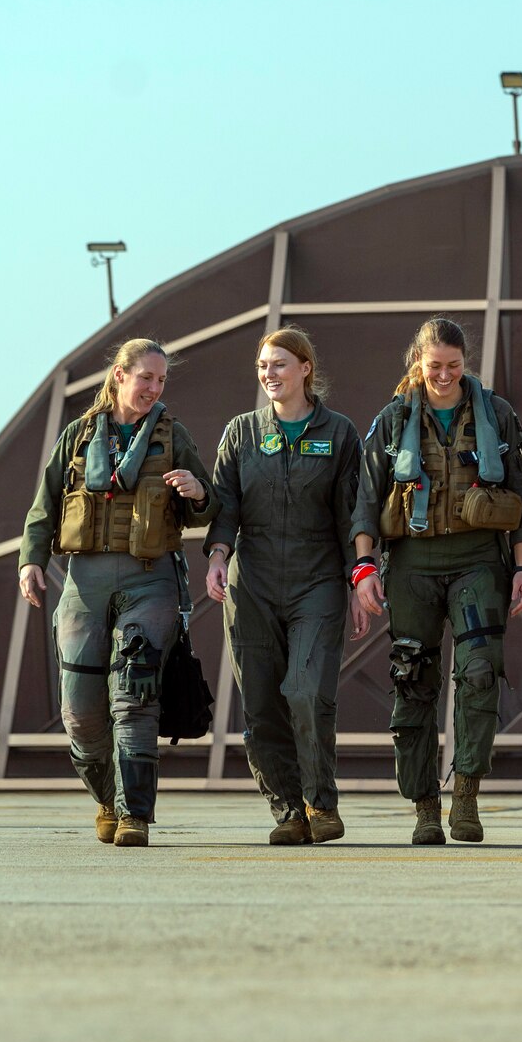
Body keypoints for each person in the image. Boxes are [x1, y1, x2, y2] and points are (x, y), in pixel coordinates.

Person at [18, 339, 216, 847]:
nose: (153, 388)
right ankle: (107, 799)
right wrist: (30, 563)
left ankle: (135, 815)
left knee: (134, 697)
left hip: (150, 581)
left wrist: (198, 491)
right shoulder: (78, 436)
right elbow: (45, 506)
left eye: (161, 380)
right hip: (83, 583)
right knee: (80, 712)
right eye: (145, 377)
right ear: (120, 375)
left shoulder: (175, 437)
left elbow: (208, 505)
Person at [350, 317, 522, 845]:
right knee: (413, 680)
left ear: (465, 363)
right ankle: (425, 806)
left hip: (480, 562)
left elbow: (521, 495)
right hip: (411, 564)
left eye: (454, 366)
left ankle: (468, 796)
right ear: (418, 363)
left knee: (479, 674)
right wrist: (364, 569)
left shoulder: (496, 415)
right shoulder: (391, 420)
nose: (444, 376)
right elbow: (366, 499)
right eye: (435, 366)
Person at [203, 326, 363, 845]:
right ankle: (287, 810)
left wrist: (357, 580)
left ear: (305, 368)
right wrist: (217, 558)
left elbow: (350, 515)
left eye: (279, 365)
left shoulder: (339, 434)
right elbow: (224, 504)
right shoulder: (242, 432)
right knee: (261, 703)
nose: (269, 374)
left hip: (317, 580)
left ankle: (321, 803)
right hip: (252, 582)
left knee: (305, 689)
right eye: (263, 367)